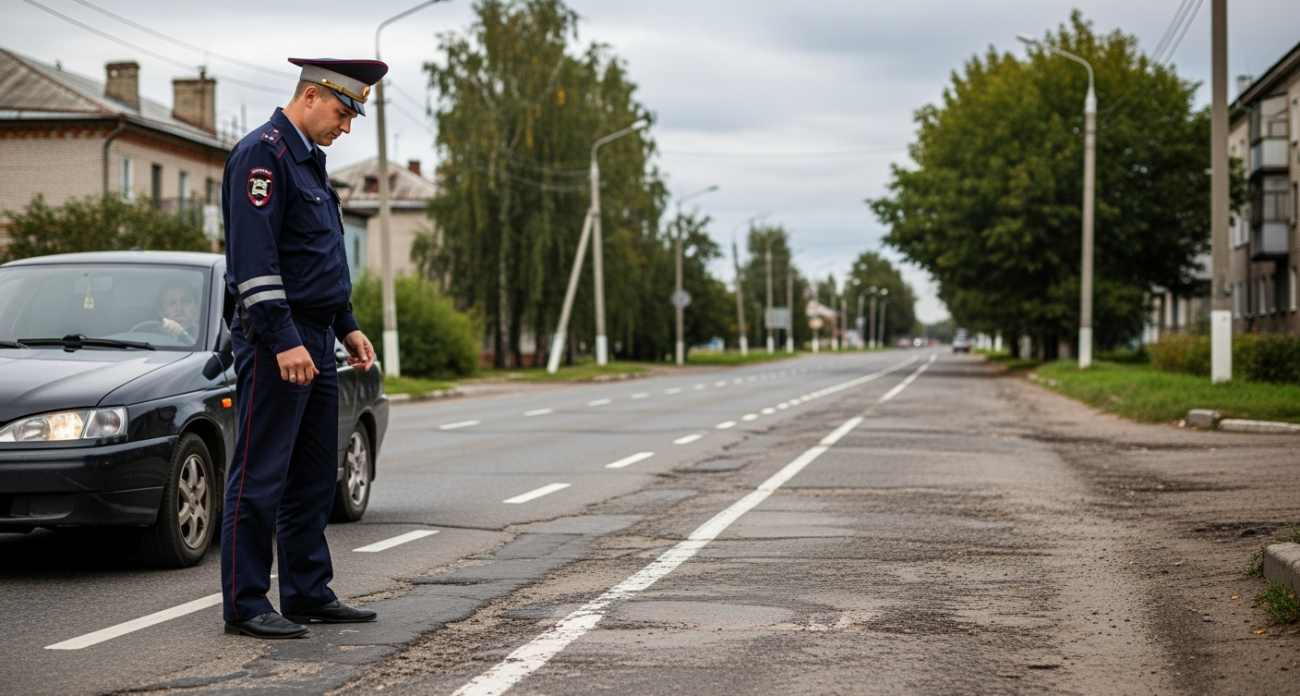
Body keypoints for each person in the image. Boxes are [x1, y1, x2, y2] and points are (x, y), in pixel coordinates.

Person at [220, 57, 385, 640]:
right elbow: (256, 263)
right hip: (276, 340)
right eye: (342, 112)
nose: (345, 127)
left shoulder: (310, 164)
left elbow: (319, 257)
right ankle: (245, 604)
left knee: (315, 475)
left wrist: (347, 325)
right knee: (261, 473)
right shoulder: (262, 156)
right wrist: (284, 339)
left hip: (317, 337)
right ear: (311, 96)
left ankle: (308, 592)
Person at [156, 279, 200, 344]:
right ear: (161, 312)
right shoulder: (152, 342)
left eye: (186, 301)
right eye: (171, 303)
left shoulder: (209, 338)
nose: (179, 309)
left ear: (197, 308)